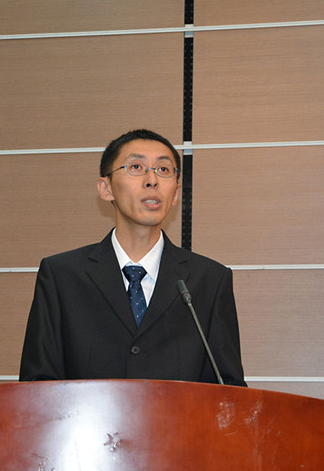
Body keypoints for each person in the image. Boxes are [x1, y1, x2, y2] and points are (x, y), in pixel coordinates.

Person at [19, 129, 246, 386]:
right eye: (136, 167)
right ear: (106, 189)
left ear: (175, 193)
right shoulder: (62, 276)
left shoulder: (209, 281)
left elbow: (229, 391)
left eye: (163, 170)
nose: (152, 180)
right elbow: (36, 386)